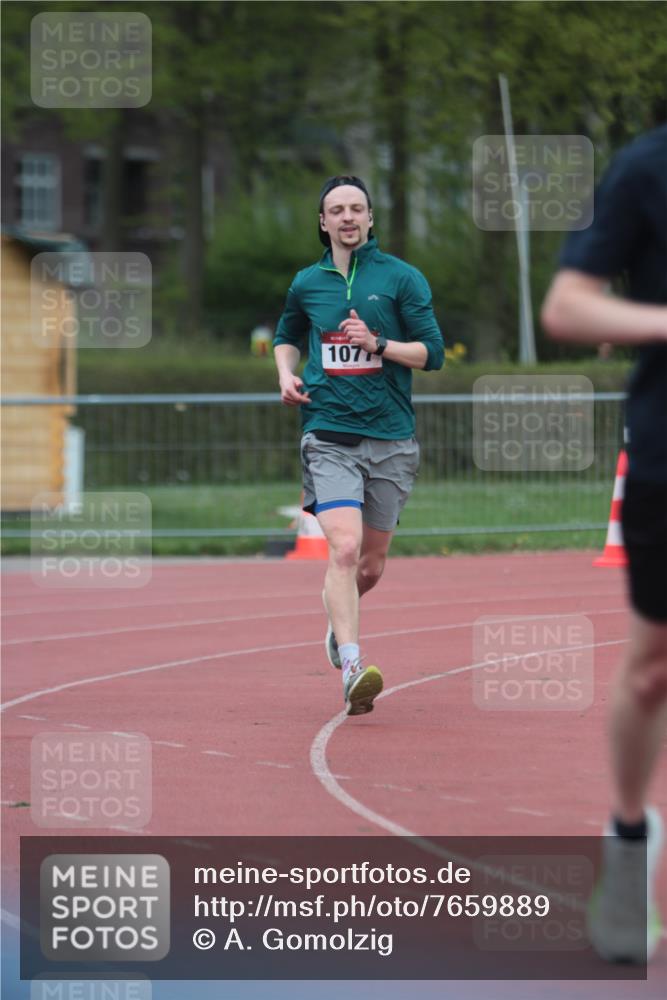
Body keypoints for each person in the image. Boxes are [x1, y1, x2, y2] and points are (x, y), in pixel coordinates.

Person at [541, 124, 667, 962]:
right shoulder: (647, 168)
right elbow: (565, 307)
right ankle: (628, 842)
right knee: (654, 666)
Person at [273, 175, 444, 716]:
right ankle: (351, 664)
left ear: (370, 219)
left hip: (391, 437)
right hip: (328, 433)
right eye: (336, 210)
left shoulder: (401, 279)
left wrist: (379, 344)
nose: (347, 217)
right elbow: (286, 335)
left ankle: (336, 617)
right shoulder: (307, 283)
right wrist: (285, 373)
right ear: (323, 223)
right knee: (342, 549)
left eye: (356, 209)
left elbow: (432, 353)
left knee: (369, 567)